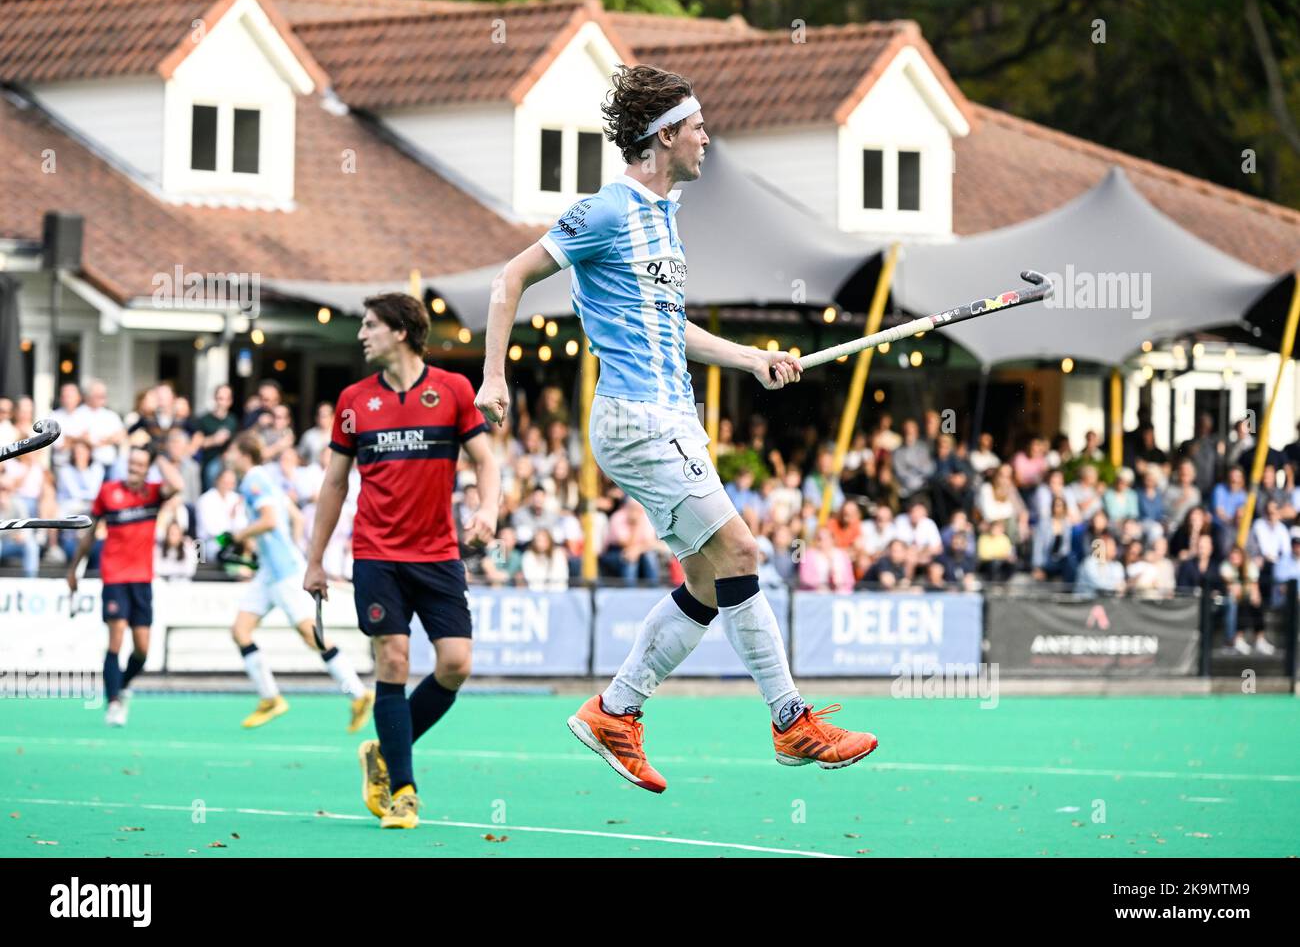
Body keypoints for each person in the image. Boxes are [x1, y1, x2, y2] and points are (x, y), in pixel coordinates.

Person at [475, 64, 877, 793]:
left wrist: (752, 359)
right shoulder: (605, 211)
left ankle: (615, 711)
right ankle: (791, 721)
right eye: (696, 127)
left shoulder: (665, 217)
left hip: (673, 416)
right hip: (636, 418)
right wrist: (494, 377)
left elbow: (670, 327)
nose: (706, 137)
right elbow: (509, 280)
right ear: (662, 139)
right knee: (741, 549)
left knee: (705, 578)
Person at [304, 292, 499, 830]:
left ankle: (384, 749)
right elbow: (334, 484)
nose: (362, 335)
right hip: (375, 555)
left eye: (370, 326)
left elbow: (487, 462)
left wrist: (489, 509)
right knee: (392, 661)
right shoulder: (352, 401)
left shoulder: (454, 390)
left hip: (438, 555)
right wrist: (315, 560)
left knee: (456, 664)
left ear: (401, 332)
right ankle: (405, 791)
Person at [226, 432, 373, 730]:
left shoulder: (253, 481)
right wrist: (284, 547)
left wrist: (239, 536)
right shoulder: (266, 479)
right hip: (271, 570)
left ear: (243, 454)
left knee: (311, 635)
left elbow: (269, 520)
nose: (228, 456)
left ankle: (357, 693)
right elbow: (296, 518)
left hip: (283, 573)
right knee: (241, 631)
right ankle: (270, 698)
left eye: (232, 450)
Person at [66, 447, 183, 726]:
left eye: (141, 464)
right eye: (132, 463)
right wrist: (73, 569)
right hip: (114, 576)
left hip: (142, 579)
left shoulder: (153, 493)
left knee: (143, 649)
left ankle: (122, 686)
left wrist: (160, 455)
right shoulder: (108, 492)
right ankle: (113, 703)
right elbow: (91, 533)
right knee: (116, 637)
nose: (134, 468)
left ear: (147, 468)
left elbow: (178, 485)